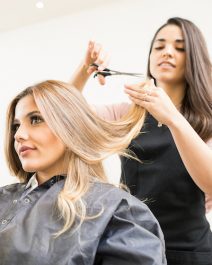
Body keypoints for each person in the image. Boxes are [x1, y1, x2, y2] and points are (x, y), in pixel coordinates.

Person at [70, 17, 212, 264]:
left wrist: (174, 119)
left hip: (191, 253)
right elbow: (61, 115)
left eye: (180, 47)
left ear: (195, 59)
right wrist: (85, 71)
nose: (167, 52)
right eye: (159, 46)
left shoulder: (207, 120)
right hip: (133, 247)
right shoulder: (127, 114)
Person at [0, 80, 166, 265]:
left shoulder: (117, 211)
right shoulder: (3, 197)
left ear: (71, 126)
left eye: (36, 119)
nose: (18, 135)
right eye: (16, 126)